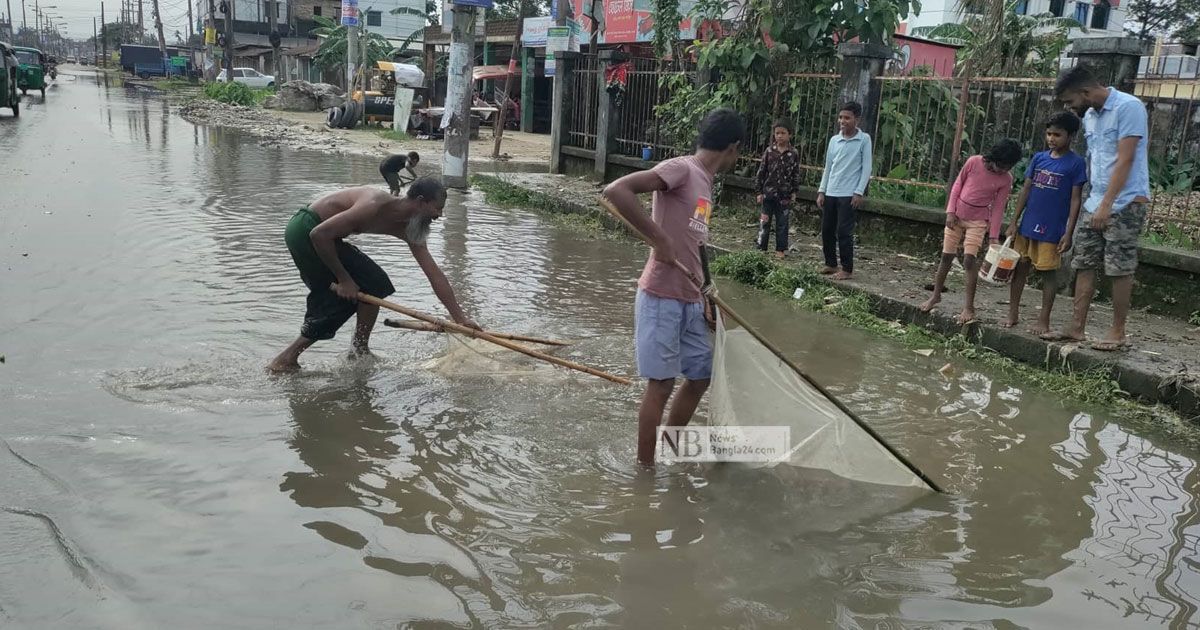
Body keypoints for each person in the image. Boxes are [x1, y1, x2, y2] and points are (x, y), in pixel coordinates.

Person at [603, 108, 746, 466]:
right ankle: (645, 471)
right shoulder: (682, 168)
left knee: (700, 376)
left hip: (692, 300)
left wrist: (708, 295)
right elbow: (617, 190)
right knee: (661, 384)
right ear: (733, 148)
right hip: (660, 296)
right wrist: (659, 240)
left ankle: (671, 452)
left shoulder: (706, 181)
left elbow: (696, 245)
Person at [267, 180, 479, 372]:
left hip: (323, 237)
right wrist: (344, 280)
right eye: (438, 208)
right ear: (421, 202)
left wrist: (460, 319)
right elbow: (319, 234)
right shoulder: (374, 203)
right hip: (305, 229)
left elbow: (435, 275)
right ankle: (285, 359)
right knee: (340, 298)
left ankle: (358, 350)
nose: (439, 216)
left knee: (375, 283)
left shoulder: (410, 229)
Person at [1044, 65, 1151, 351]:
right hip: (1097, 200)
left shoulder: (1129, 108)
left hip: (1126, 202)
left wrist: (1107, 205)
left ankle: (1117, 332)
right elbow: (1096, 161)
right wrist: (1095, 201)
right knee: (1084, 262)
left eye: (1070, 101)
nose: (1070, 107)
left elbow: (1125, 160)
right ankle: (1076, 328)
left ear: (1085, 92)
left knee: (1119, 267)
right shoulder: (1090, 117)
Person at [919, 139, 1022, 324]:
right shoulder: (974, 162)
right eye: (1000, 165)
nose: (1001, 170)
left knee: (969, 260)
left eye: (1007, 167)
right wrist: (950, 211)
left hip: (978, 221)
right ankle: (936, 295)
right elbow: (957, 186)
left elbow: (998, 208)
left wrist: (993, 237)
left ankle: (969, 306)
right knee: (946, 257)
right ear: (993, 158)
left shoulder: (1006, 179)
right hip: (957, 216)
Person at [1002, 111, 1087, 334]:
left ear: (1071, 136)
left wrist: (1068, 233)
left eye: (1057, 134)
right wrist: (1014, 221)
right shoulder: (1039, 158)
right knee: (1020, 268)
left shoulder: (1076, 164)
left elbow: (1075, 199)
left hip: (1052, 229)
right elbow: (1026, 189)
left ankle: (1044, 319)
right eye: (1049, 134)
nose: (1052, 138)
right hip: (1028, 224)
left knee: (1048, 274)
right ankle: (1013, 312)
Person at [816, 102, 873, 280]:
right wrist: (821, 190)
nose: (843, 121)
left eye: (847, 118)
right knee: (827, 229)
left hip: (848, 194)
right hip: (831, 191)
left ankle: (847, 268)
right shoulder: (835, 140)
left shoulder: (864, 140)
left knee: (843, 232)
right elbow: (828, 166)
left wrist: (858, 192)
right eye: (841, 117)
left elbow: (866, 168)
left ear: (857, 119)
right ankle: (831, 263)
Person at [754, 119, 800, 258]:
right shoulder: (769, 151)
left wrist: (794, 191)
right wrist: (759, 191)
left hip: (784, 196)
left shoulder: (793, 153)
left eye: (783, 133)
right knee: (765, 221)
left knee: (782, 223)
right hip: (768, 194)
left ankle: (780, 249)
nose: (779, 136)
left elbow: (795, 173)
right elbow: (761, 171)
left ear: (789, 135)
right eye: (777, 133)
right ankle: (761, 247)